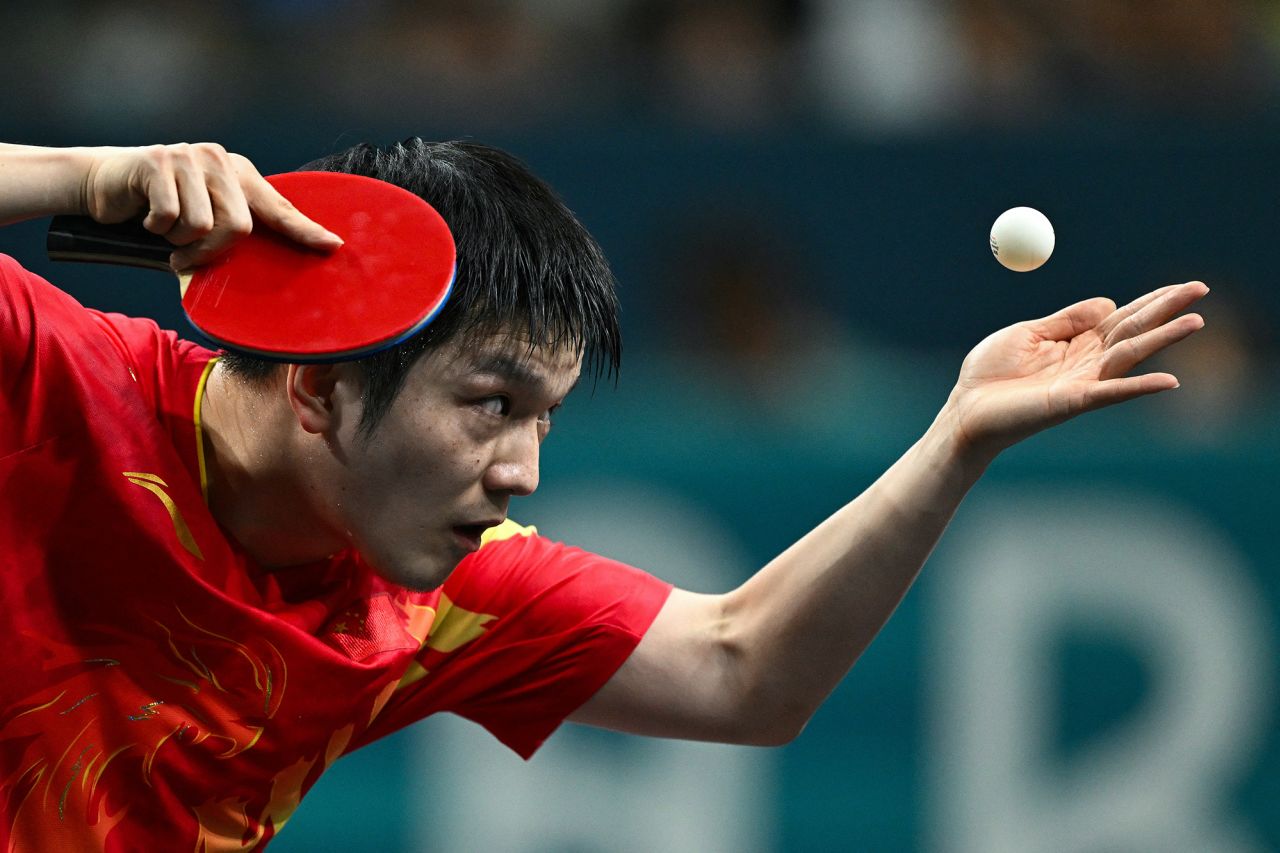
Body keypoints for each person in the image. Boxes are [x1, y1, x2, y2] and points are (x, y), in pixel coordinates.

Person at [0, 140, 1208, 850]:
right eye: (490, 405)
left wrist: (953, 440)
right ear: (319, 387)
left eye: (543, 420)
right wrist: (90, 171)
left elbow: (744, 670)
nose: (523, 471)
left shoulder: (441, 590)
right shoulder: (53, 379)